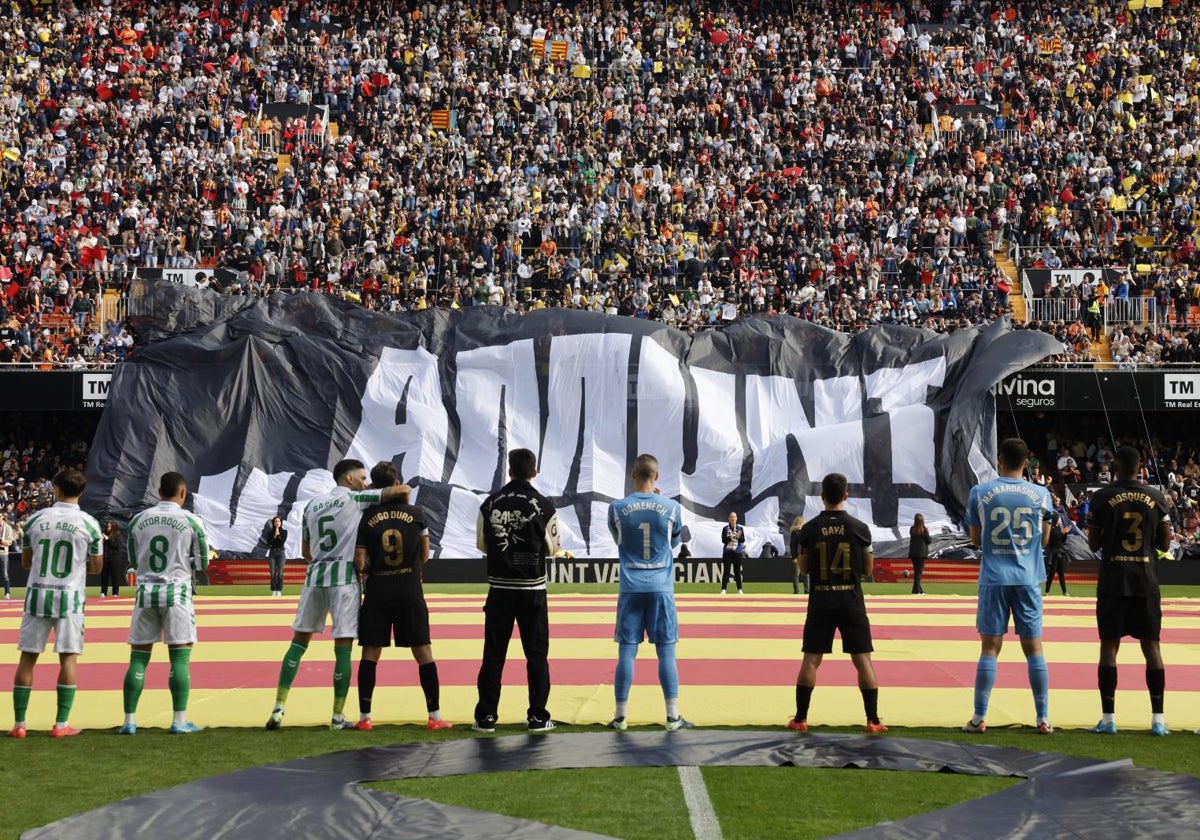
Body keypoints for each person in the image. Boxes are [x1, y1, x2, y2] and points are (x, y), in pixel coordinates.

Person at [265, 459, 410, 731]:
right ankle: (336, 716)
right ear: (351, 479)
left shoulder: (311, 506)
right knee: (342, 647)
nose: (367, 482)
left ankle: (279, 707)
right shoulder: (356, 498)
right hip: (343, 579)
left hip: (315, 577)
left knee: (298, 642)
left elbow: (307, 551)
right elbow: (398, 492)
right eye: (363, 477)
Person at [961, 438, 1055, 734]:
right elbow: (1047, 539)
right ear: (1027, 461)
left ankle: (979, 717)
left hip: (994, 578)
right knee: (1034, 649)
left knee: (989, 648)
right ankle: (1042, 718)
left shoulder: (981, 492)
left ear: (999, 459)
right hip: (1027, 578)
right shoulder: (1041, 494)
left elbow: (976, 540)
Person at [352, 461, 451, 732]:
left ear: (373, 486)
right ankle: (434, 716)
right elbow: (424, 556)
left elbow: (360, 563)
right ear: (397, 483)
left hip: (377, 591)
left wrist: (375, 566)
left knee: (370, 654)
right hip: (409, 589)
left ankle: (365, 717)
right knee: (424, 653)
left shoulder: (366, 517)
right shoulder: (416, 514)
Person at [787, 473, 886, 733]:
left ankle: (800, 718)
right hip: (851, 598)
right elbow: (867, 570)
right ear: (846, 496)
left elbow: (805, 569)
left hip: (821, 598)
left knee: (811, 659)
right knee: (862, 659)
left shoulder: (808, 530)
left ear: (822, 497)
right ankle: (873, 720)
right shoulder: (860, 528)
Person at [9, 469, 103, 738]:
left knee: (27, 658)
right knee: (68, 659)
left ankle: (19, 724)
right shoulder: (89, 523)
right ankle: (61, 724)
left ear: (56, 490)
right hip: (70, 598)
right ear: (81, 492)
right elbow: (97, 568)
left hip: (38, 594)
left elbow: (25, 563)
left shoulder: (35, 520)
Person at [1086, 446, 1173, 736]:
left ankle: (1108, 718)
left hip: (1112, 580)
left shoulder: (1101, 497)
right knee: (1152, 647)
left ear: (1115, 467)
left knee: (1109, 647)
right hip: (1145, 582)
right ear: (1141, 466)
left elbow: (1092, 545)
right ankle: (1158, 720)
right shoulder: (1157, 498)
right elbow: (1165, 544)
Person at [473, 448, 561, 732]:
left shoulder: (489, 503)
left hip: (499, 589)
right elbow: (553, 549)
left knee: (493, 654)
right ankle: (538, 716)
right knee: (536, 654)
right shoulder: (544, 505)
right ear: (534, 472)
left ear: (509, 471)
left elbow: (482, 546)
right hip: (532, 590)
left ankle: (486, 717)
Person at [607, 453, 692, 732]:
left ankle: (620, 717)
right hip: (661, 589)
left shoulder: (616, 508)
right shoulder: (671, 508)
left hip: (631, 588)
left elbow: (619, 539)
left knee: (626, 653)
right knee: (666, 651)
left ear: (633, 474)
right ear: (656, 476)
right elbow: (675, 541)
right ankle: (672, 716)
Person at [119, 472, 209, 735]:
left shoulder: (139, 520)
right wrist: (183, 561)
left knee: (138, 657)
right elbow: (203, 563)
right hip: (177, 592)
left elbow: (134, 561)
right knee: (179, 658)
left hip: (146, 591)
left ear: (158, 491)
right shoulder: (191, 521)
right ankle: (179, 721)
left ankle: (129, 721)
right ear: (183, 493)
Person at [1044, 497, 1070, 596]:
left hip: (1060, 552)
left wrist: (1065, 534)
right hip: (1054, 553)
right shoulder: (1052, 529)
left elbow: (1062, 541)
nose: (1060, 520)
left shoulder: (1059, 528)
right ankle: (1047, 591)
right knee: (1052, 573)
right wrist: (1062, 533)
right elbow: (1054, 540)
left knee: (1061, 573)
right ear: (1055, 520)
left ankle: (1064, 592)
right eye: (1058, 519)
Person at [719, 512, 746, 594]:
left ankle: (739, 589)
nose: (733, 519)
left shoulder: (740, 528)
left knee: (737, 571)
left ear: (736, 518)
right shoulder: (725, 528)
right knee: (726, 571)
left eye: (734, 517)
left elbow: (743, 540)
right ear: (729, 518)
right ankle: (723, 589)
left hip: (737, 552)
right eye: (731, 517)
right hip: (727, 552)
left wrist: (738, 537)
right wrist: (729, 538)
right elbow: (723, 540)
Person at [99, 520, 124, 598]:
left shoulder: (117, 535)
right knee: (104, 576)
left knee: (115, 576)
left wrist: (107, 539)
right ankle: (103, 592)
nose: (108, 528)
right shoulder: (105, 534)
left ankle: (115, 592)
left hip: (114, 559)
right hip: (105, 558)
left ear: (113, 527)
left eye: (109, 526)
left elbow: (116, 546)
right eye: (107, 526)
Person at [265, 516, 288, 597]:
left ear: (281, 523)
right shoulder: (270, 532)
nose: (277, 522)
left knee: (280, 573)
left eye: (278, 521)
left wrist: (278, 534)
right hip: (272, 553)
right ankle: (274, 589)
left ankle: (279, 590)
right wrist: (274, 536)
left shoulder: (284, 532)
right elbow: (269, 543)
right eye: (275, 521)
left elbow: (281, 542)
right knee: (273, 573)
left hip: (281, 553)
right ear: (273, 523)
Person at [908, 514, 930, 595]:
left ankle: (919, 589)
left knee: (916, 572)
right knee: (918, 573)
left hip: (913, 553)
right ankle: (916, 590)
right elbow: (929, 541)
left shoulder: (912, 529)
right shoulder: (924, 529)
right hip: (922, 553)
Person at [789, 515, 808, 595]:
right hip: (799, 556)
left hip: (803, 555)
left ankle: (806, 590)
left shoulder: (804, 531)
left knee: (804, 574)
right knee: (798, 574)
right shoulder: (795, 532)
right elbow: (792, 545)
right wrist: (794, 556)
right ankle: (797, 590)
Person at [0, 516, 15, 600]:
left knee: (5, 574)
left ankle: (7, 593)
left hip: (3, 553)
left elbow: (9, 542)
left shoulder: (8, 528)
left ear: (2, 518)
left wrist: (2, 541)